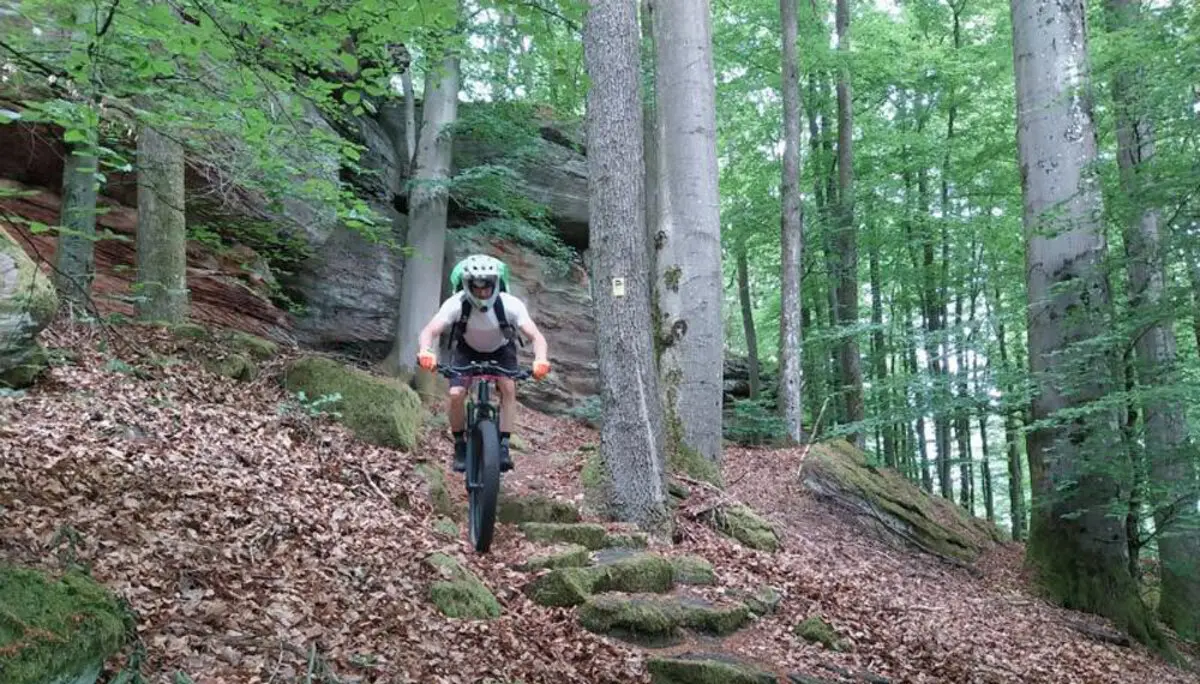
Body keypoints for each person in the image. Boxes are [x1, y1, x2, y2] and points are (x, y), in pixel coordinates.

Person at [416, 254, 551, 473]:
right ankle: (460, 445)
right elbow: (429, 331)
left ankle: (504, 445)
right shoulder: (456, 303)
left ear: (495, 283)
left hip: (501, 350)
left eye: (486, 285)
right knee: (455, 394)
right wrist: (425, 350)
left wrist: (541, 359)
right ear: (467, 284)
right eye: (476, 286)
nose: (482, 292)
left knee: (508, 387)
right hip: (467, 349)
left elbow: (536, 336)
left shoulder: (510, 305)